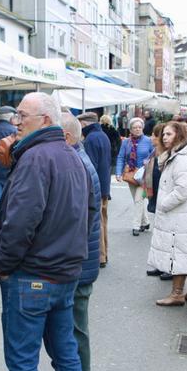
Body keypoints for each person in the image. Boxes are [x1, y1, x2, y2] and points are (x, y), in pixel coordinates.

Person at [0, 92, 89, 371]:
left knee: (23, 362)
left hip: (33, 275)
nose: (16, 122)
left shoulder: (35, 158)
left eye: (23, 116)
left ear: (45, 120)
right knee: (66, 355)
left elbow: (19, 224)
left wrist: (4, 264)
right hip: (64, 274)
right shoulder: (71, 156)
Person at [39, 112, 100, 371]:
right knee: (70, 335)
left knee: (73, 336)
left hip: (77, 266)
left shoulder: (77, 165)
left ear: (65, 137)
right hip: (80, 262)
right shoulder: (78, 160)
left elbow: (78, 222)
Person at [149, 121, 187, 307]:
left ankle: (177, 293)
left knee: (178, 253)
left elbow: (182, 190)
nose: (164, 137)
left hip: (179, 216)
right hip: (184, 215)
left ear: (179, 136)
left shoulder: (183, 160)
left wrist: (163, 204)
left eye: (169, 134)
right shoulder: (181, 156)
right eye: (163, 134)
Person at [77, 112, 111, 267]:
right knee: (103, 220)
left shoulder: (90, 139)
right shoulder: (102, 135)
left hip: (96, 187)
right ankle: (104, 254)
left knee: (97, 222)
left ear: (84, 124)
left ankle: (100, 256)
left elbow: (90, 167)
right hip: (105, 185)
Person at [116, 117, 154, 237]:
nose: (137, 129)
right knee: (138, 201)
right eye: (135, 127)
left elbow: (155, 156)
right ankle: (146, 222)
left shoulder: (149, 141)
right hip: (131, 175)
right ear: (131, 129)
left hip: (144, 175)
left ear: (142, 128)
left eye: (139, 127)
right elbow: (121, 157)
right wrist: (118, 173)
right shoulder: (126, 142)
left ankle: (136, 226)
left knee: (139, 199)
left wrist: (148, 162)